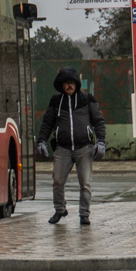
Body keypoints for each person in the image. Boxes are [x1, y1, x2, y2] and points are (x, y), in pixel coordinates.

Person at [36, 66, 106, 226]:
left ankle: (84, 214)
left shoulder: (88, 100)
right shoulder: (56, 102)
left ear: (77, 84)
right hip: (63, 148)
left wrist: (101, 141)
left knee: (85, 183)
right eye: (66, 83)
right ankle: (60, 209)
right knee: (58, 180)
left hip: (84, 148)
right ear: (61, 85)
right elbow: (47, 123)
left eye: (72, 83)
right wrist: (41, 141)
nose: (69, 86)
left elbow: (99, 121)